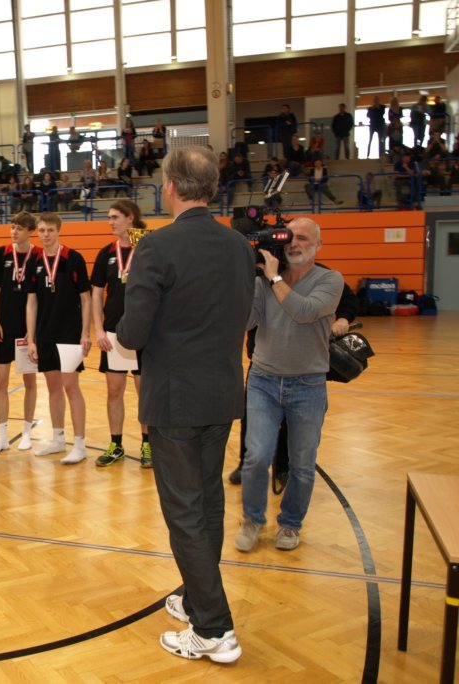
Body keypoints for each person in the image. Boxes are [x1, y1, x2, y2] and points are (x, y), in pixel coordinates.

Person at [116, 146, 254, 663]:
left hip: (175, 399)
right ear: (212, 188)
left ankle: (214, 627)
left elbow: (132, 334)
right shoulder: (238, 245)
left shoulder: (156, 246)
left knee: (184, 511)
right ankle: (198, 599)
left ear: (170, 187)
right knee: (208, 502)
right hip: (221, 391)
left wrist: (123, 330)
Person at [235, 217, 344, 554]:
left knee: (302, 463)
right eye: (290, 238)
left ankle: (291, 523)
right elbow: (247, 321)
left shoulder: (329, 279)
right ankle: (252, 520)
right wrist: (244, 281)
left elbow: (304, 311)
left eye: (303, 238)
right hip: (263, 381)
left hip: (308, 385)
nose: (294, 244)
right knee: (256, 457)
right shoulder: (265, 280)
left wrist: (274, 278)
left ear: (318, 245)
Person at [25, 212, 92, 465]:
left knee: (70, 387)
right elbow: (31, 303)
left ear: (58, 231)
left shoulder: (73, 258)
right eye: (41, 230)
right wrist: (31, 339)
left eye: (50, 230)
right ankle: (58, 439)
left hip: (69, 334)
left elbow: (86, 298)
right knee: (53, 387)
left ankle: (80, 445)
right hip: (44, 334)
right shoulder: (34, 261)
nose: (45, 235)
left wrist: (85, 333)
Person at [91, 200, 151, 469]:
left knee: (144, 391)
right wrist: (98, 329)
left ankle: (148, 444)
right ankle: (116, 445)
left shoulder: (148, 247)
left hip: (144, 333)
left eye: (115, 217)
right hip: (114, 333)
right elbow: (96, 294)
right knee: (114, 391)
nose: (110, 222)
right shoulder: (106, 253)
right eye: (109, 217)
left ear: (130, 218)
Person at [0, 212, 40, 456]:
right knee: (0, 382)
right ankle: (2, 437)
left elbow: (36, 298)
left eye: (19, 228)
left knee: (29, 382)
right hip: (4, 328)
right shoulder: (1, 253)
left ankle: (27, 432)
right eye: (12, 227)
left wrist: (32, 333)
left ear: (30, 231)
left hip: (26, 331)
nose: (14, 232)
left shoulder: (38, 256)